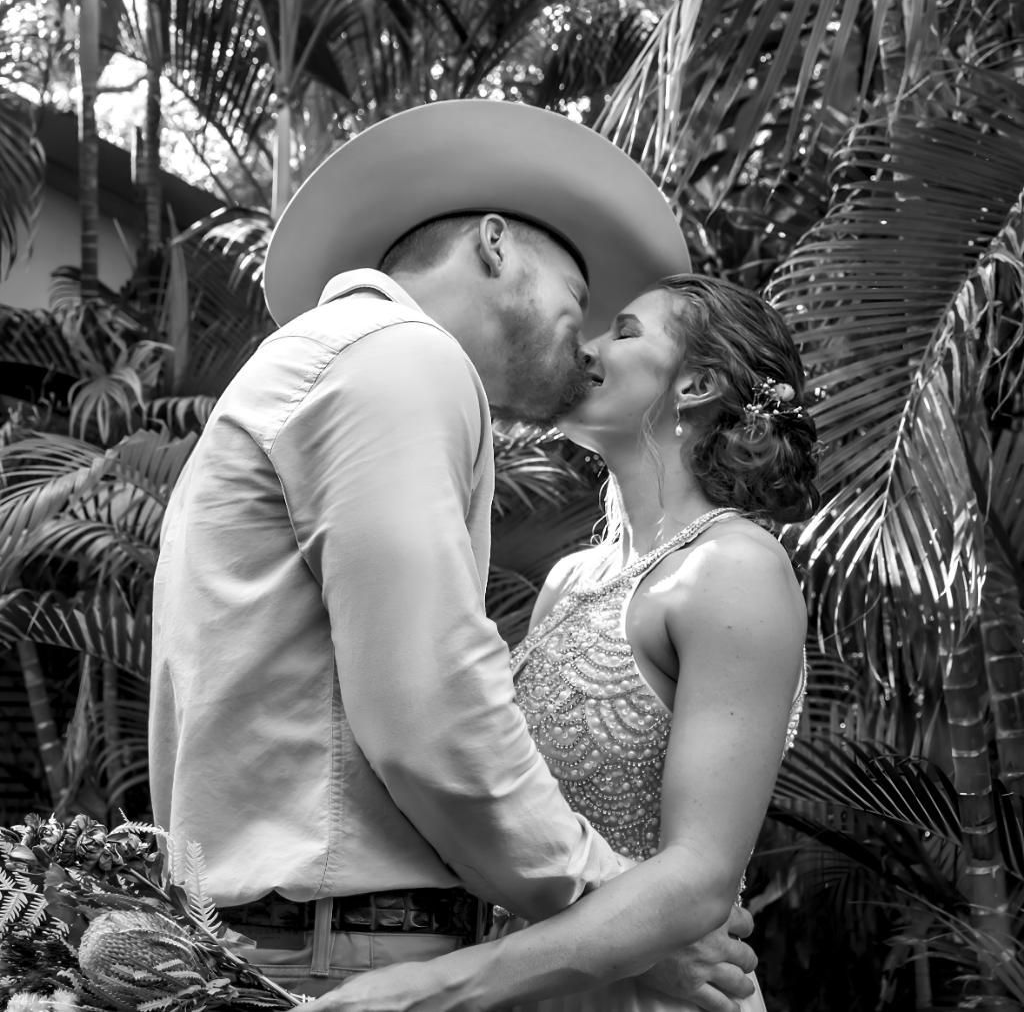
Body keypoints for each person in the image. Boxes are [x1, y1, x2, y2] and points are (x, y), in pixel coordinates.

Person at [148, 100, 758, 1005]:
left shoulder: (327, 360)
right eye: (577, 299)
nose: (580, 338)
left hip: (295, 939)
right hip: (346, 957)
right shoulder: (402, 358)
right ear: (496, 244)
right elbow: (431, 716)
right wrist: (623, 923)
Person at [300, 273, 820, 1011]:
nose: (587, 346)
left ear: (697, 383)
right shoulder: (570, 578)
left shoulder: (735, 569)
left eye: (627, 331)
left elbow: (701, 875)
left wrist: (435, 989)